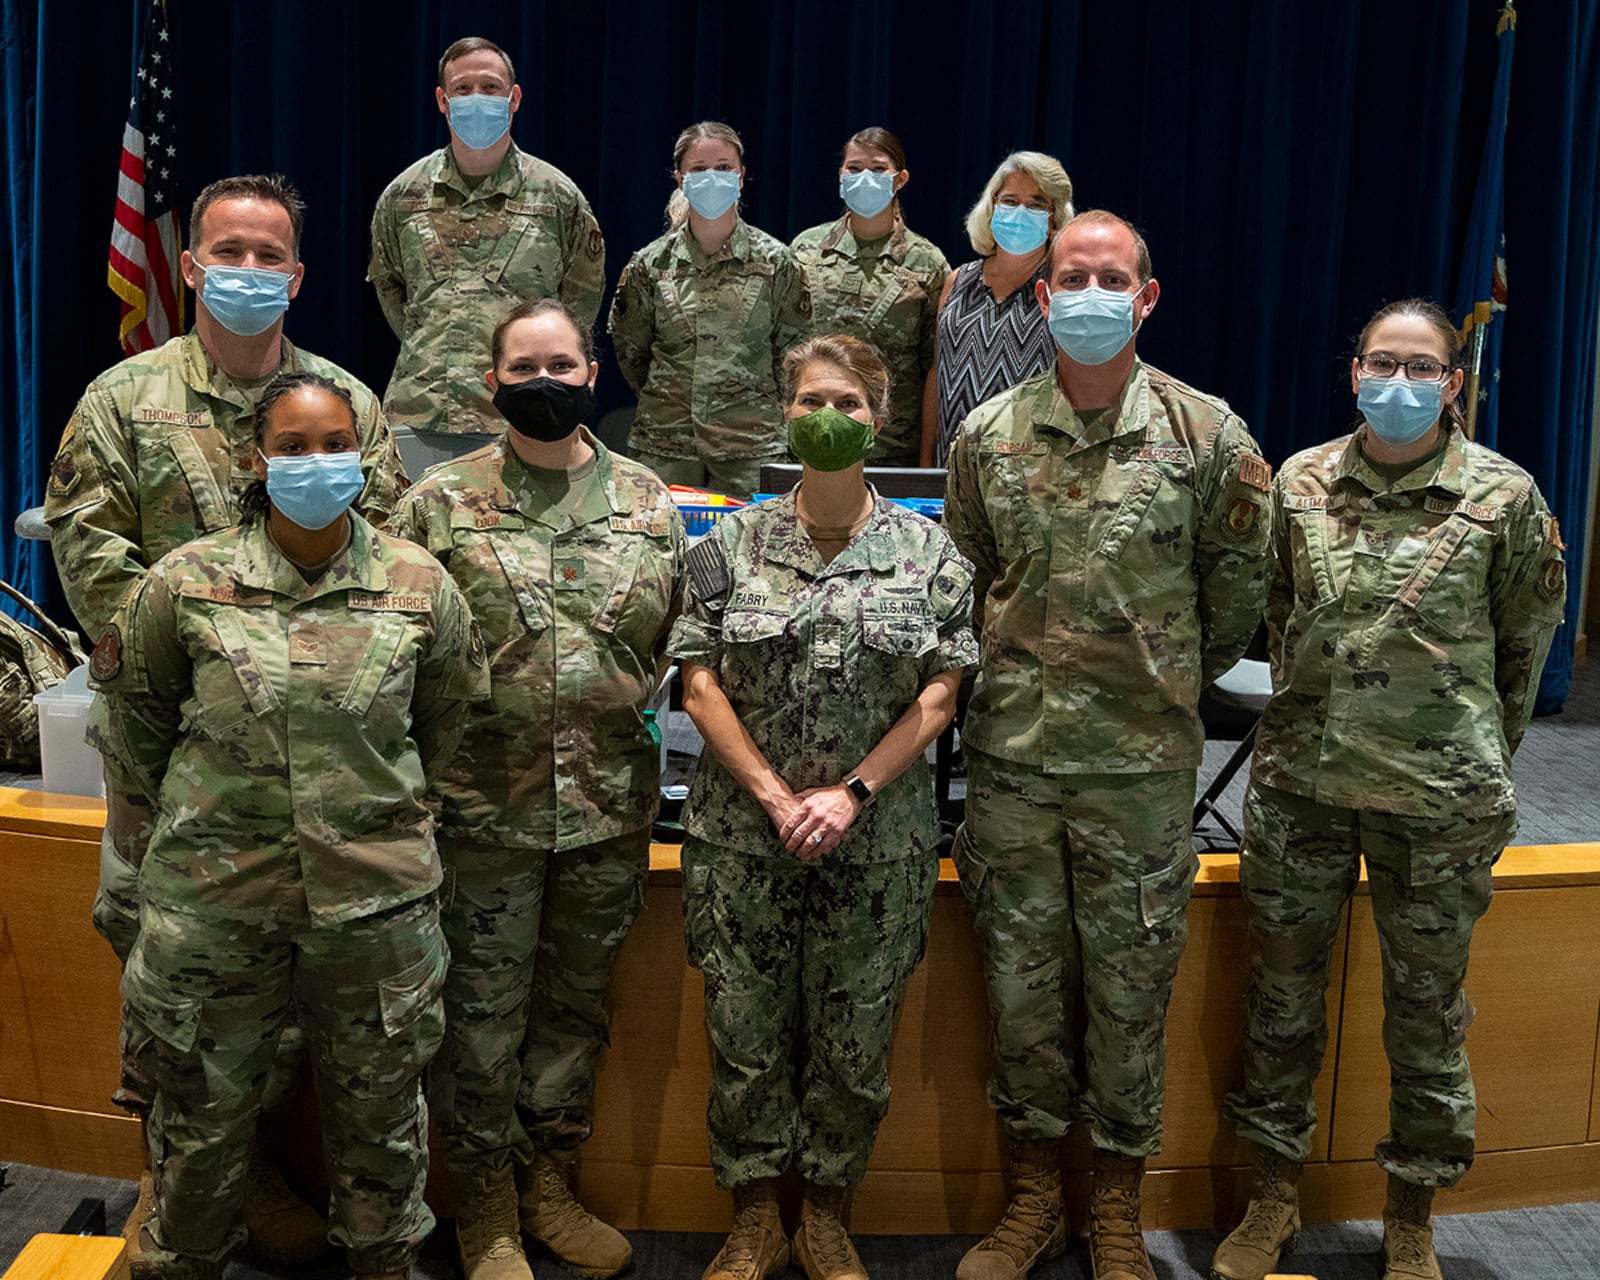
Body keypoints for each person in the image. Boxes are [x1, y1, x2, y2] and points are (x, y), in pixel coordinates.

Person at [43, 171, 406, 1266]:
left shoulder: (348, 400)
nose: (250, 270)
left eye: (271, 255)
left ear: (297, 274)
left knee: (311, 995)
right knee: (176, 995)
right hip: (179, 764)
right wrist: (206, 668)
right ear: (192, 264)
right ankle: (206, 1184)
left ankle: (260, 1175)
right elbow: (91, 555)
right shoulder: (123, 400)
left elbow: (388, 559)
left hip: (332, 766)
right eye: (228, 251)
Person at [89, 371, 490, 1280]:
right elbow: (139, 731)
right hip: (214, 909)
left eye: (337, 443)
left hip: (374, 914)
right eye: (297, 446)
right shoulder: (185, 583)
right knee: (196, 1131)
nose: (319, 461)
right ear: (255, 458)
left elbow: (444, 725)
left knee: (385, 1133)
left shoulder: (421, 586)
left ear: (364, 453)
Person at [943, 210, 1273, 1280]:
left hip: (1138, 773)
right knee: (1022, 992)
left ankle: (1119, 1206)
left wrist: (1150, 677)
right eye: (1070, 277)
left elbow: (1233, 606)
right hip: (1014, 769)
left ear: (1145, 295)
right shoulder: (987, 434)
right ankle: (1036, 1195)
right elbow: (967, 578)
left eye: (1110, 276)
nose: (1088, 291)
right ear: (1042, 297)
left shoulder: (1206, 435)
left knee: (1132, 997)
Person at [1211, 300, 1567, 1280]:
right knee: (1279, 998)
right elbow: (1275, 621)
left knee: (1426, 1008)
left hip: (1437, 800)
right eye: (1381, 361)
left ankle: (1410, 1208)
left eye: (1421, 366)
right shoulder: (1300, 481)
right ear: (1353, 368)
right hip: (1301, 786)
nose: (1398, 381)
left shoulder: (1503, 496)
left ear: (1451, 382)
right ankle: (1272, 1194)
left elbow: (1523, 652)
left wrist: (1466, 751)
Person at [388, 299, 686, 1280]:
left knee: (572, 1007)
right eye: (525, 365)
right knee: (479, 1012)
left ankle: (547, 1176)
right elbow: (392, 652)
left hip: (606, 810)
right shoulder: (437, 503)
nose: (544, 379)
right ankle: (485, 1206)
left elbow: (683, 651)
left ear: (593, 373)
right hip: (481, 810)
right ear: (492, 381)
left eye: (562, 361)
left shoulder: (651, 502)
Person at [669, 335, 977, 1280]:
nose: (826, 417)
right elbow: (697, 682)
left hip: (876, 841)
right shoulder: (730, 545)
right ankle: (757, 1215)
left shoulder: (930, 552)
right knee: (746, 1032)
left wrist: (849, 796)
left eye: (846, 401)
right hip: (741, 840)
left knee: (855, 1038)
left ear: (878, 419)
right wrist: (772, 795)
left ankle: (830, 1213)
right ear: (785, 415)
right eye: (809, 400)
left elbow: (942, 692)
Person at [369, 36, 605, 473]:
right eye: (463, 89)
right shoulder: (403, 196)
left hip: (520, 416)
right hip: (420, 412)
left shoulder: (557, 197)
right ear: (442, 100)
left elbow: (580, 302)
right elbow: (392, 289)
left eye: (491, 88)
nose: (477, 98)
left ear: (514, 98)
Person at [607, 121, 810, 500]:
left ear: (742, 176)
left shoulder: (776, 262)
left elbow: (794, 353)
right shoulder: (650, 265)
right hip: (666, 442)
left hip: (750, 446)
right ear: (680, 178)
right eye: (699, 169)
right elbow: (632, 352)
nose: (711, 177)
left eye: (723, 167)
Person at [790, 127, 949, 467]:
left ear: (900, 179)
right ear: (840, 176)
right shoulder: (806, 249)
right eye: (854, 168)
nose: (865, 178)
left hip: (892, 446)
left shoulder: (927, 261)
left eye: (878, 169)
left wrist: (926, 458)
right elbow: (785, 345)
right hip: (814, 437)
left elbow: (934, 365)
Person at [921, 151, 1073, 468]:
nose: (1021, 211)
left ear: (1054, 218)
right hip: (950, 468)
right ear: (991, 208)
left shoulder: (1063, 290)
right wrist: (924, 462)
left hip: (1032, 474)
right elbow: (938, 374)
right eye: (1010, 200)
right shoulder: (956, 281)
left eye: (1036, 203)